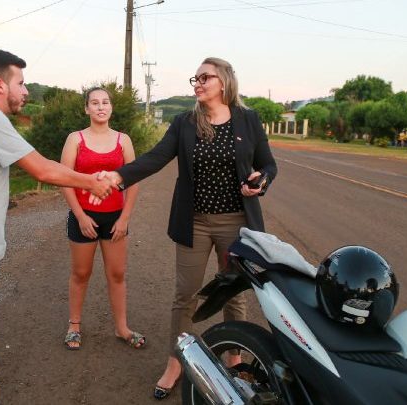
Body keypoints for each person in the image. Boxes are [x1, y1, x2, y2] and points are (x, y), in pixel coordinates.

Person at [0, 48, 114, 405]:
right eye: (21, 83)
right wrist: (92, 183)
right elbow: (42, 169)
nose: (26, 91)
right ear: (0, 85)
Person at [100, 57, 277, 400]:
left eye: (204, 77)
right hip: (194, 220)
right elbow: (155, 157)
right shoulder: (185, 122)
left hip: (235, 222)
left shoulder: (248, 120)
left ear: (223, 81)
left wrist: (262, 179)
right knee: (186, 294)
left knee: (233, 293)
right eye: (194, 78)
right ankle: (176, 360)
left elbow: (267, 163)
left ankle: (234, 358)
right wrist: (120, 176)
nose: (197, 83)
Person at [61, 87, 145, 351]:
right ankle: (74, 325)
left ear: (111, 107)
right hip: (83, 217)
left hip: (115, 218)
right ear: (86, 108)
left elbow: (133, 181)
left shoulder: (123, 140)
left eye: (105, 102)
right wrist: (80, 216)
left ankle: (122, 328)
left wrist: (125, 218)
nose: (100, 107)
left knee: (117, 274)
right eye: (94, 103)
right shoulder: (75, 139)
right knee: (81, 273)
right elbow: (64, 179)